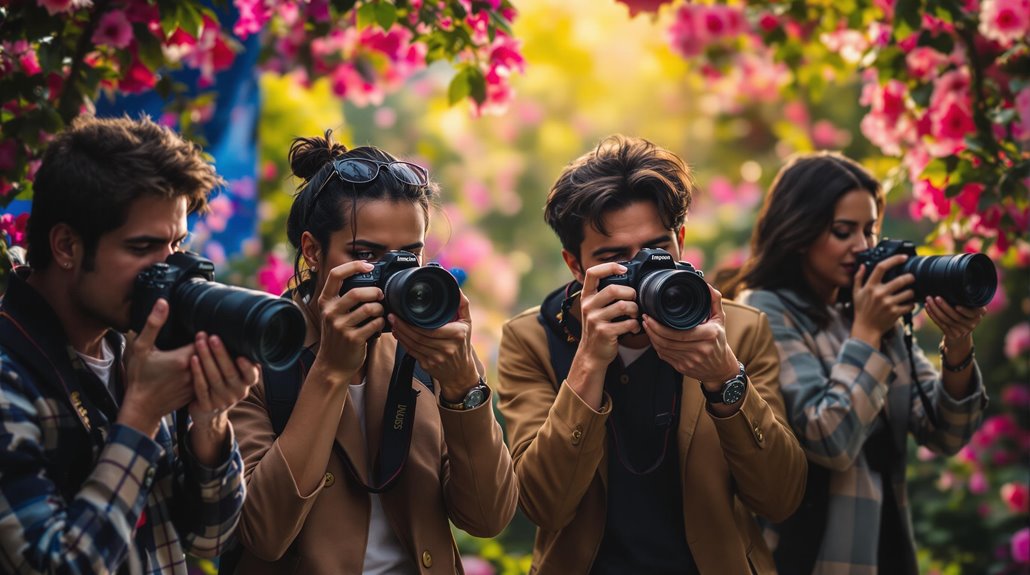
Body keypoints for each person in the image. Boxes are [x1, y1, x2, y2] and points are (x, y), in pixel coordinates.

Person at [495, 134, 807, 574]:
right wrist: (588, 363)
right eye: (615, 258)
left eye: (658, 249)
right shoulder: (533, 339)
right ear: (575, 264)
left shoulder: (738, 329)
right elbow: (543, 506)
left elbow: (780, 498)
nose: (642, 269)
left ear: (680, 239)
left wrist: (725, 379)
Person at [227, 131, 518, 574]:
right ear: (312, 251)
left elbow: (488, 516)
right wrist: (329, 372)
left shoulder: (427, 347)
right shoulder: (254, 354)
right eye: (368, 255)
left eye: (409, 256)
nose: (393, 274)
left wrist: (464, 388)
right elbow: (263, 533)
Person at [0, 115, 258, 574]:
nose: (169, 271)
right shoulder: (11, 373)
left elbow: (209, 536)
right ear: (66, 246)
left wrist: (209, 423)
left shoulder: (138, 345)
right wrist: (139, 417)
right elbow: (56, 566)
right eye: (143, 248)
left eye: (177, 245)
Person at [723, 151, 989, 574]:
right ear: (799, 231)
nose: (862, 247)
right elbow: (828, 440)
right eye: (843, 231)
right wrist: (866, 332)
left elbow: (946, 433)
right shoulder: (764, 311)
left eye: (869, 230)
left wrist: (957, 343)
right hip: (809, 561)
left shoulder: (863, 309)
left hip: (885, 553)